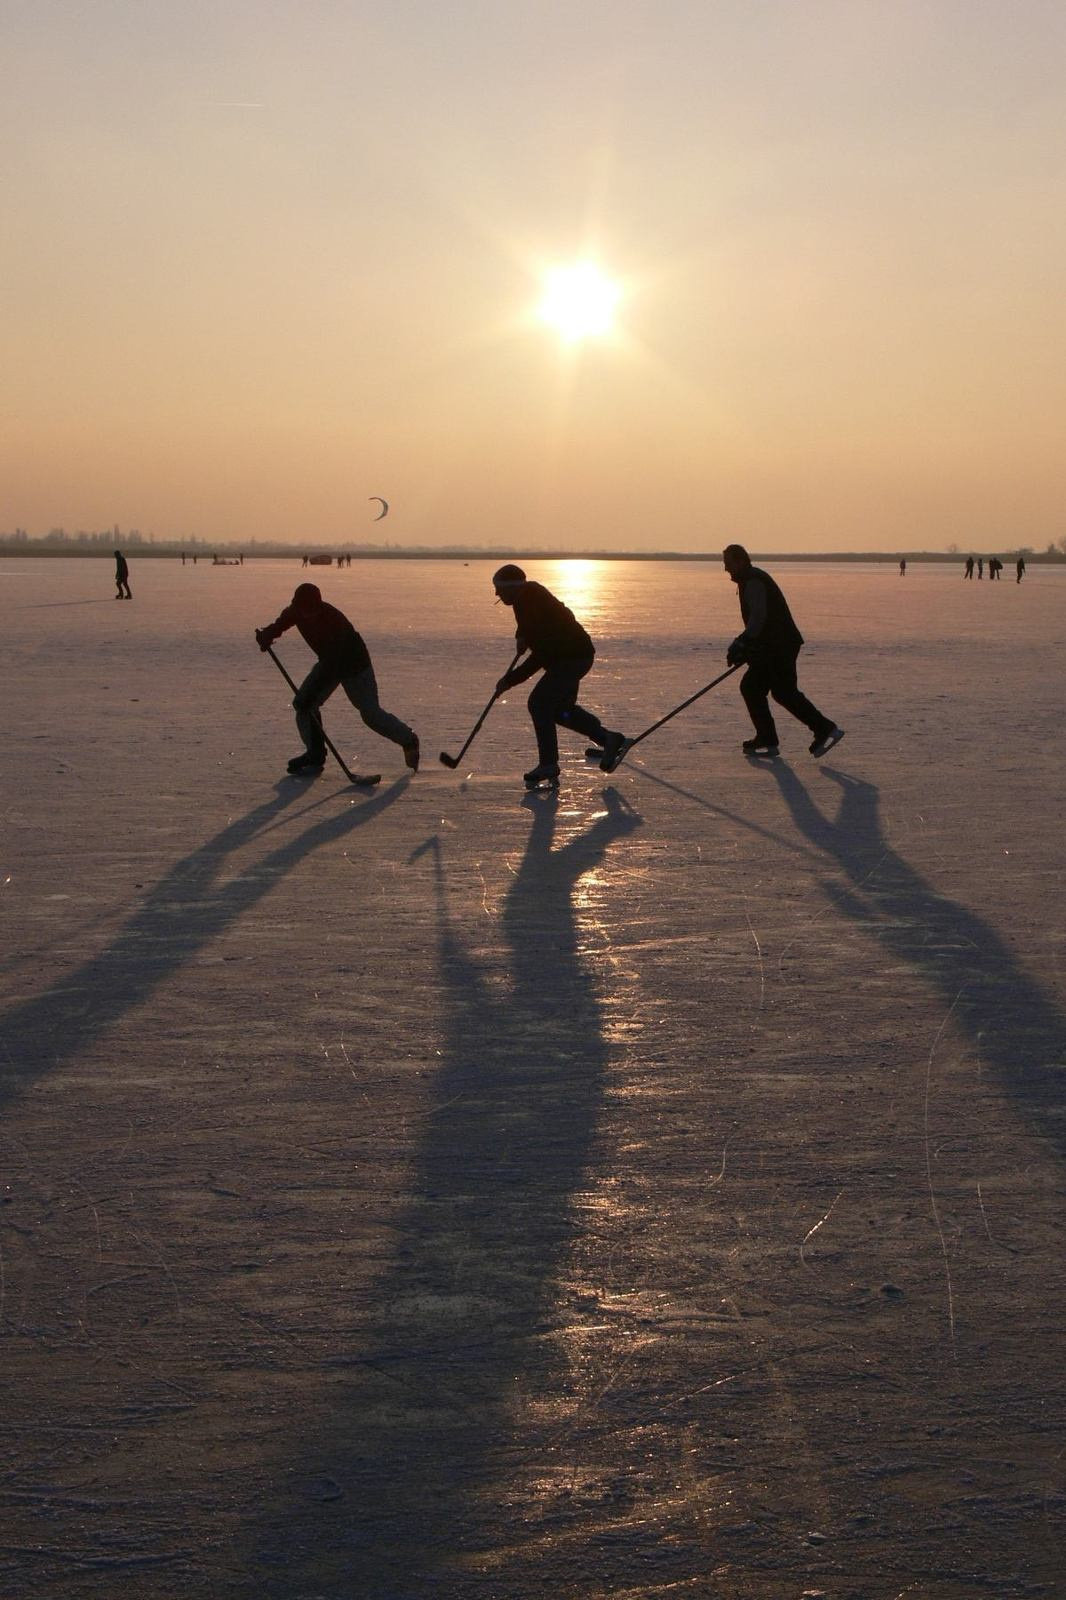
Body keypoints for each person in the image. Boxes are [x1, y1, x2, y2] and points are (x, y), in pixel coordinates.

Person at [255, 583, 419, 774]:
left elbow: (335, 662)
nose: (308, 614)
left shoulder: (333, 619)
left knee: (370, 714)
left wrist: (314, 690)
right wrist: (267, 634)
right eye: (303, 609)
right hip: (328, 662)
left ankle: (408, 740)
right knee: (303, 705)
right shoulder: (295, 611)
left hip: (354, 665)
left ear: (318, 605)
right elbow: (280, 624)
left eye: (312, 610)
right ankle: (315, 754)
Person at [491, 564, 628, 784]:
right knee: (561, 710)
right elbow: (527, 624)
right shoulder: (524, 597)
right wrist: (521, 636)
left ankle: (548, 764)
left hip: (571, 659)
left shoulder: (531, 601)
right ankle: (608, 739)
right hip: (568, 657)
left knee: (539, 703)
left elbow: (540, 656)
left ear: (513, 587)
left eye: (499, 589)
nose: (497, 594)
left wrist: (510, 680)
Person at [722, 544, 843, 759]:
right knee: (778, 691)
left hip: (777, 646)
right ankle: (819, 729)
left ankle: (775, 737)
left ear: (740, 561)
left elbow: (758, 619)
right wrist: (747, 645)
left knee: (755, 687)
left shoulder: (753, 581)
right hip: (776, 644)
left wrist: (743, 642)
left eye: (728, 563)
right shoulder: (749, 579)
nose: (726, 569)